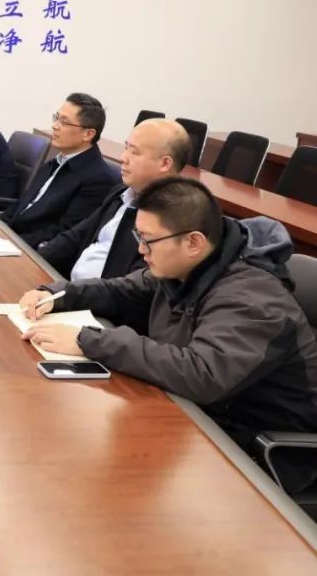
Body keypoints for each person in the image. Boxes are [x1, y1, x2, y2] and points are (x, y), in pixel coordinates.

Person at [20, 177, 317, 492]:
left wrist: (88, 341)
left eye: (148, 240)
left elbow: (202, 374)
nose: (140, 249)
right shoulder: (191, 265)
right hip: (197, 415)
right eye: (139, 236)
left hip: (259, 449)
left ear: (193, 242)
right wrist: (58, 294)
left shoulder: (253, 299)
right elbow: (121, 290)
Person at [37, 118, 190, 280]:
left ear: (165, 164)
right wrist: (35, 259)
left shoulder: (170, 221)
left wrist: (69, 291)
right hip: (71, 285)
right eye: (126, 148)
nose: (123, 158)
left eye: (134, 152)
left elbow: (134, 285)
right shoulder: (121, 193)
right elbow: (76, 236)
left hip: (92, 294)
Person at [0, 93, 119, 248]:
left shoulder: (98, 179)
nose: (55, 126)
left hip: (29, 249)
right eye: (56, 118)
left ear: (88, 134)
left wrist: (10, 242)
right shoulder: (55, 161)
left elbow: (63, 234)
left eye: (64, 122)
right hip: (9, 238)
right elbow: (22, 205)